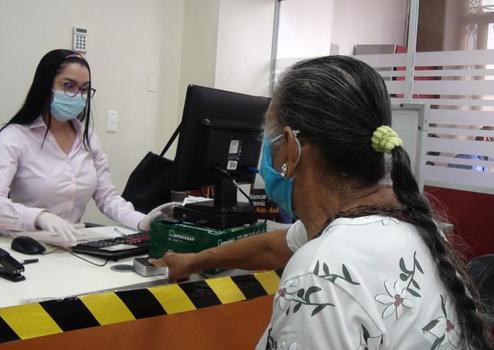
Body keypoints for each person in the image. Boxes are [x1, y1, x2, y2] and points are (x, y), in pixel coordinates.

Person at [154, 56, 492, 349]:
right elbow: (275, 247)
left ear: (289, 147)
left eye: (268, 139)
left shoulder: (320, 272)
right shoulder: (409, 223)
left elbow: (308, 259)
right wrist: (194, 260)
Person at [0, 49, 164, 244]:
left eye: (84, 89)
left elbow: (107, 197)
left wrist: (142, 221)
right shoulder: (14, 137)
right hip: (26, 246)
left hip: (72, 246)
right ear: (45, 86)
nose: (78, 95)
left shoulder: (88, 138)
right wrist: (40, 217)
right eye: (68, 86)